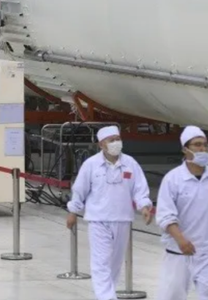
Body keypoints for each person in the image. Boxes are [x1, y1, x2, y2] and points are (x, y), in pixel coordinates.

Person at [66, 125, 153, 300]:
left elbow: (139, 189)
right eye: (111, 140)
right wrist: (73, 211)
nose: (116, 143)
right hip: (98, 220)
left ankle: (106, 294)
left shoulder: (130, 164)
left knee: (114, 264)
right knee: (101, 263)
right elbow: (80, 189)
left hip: (122, 219)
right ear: (101, 145)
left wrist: (144, 206)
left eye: (118, 139)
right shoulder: (91, 165)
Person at [155, 125, 208, 300]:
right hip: (178, 252)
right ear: (185, 149)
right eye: (197, 145)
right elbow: (166, 216)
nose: (202, 149)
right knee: (172, 296)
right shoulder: (173, 179)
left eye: (205, 145)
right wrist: (181, 241)